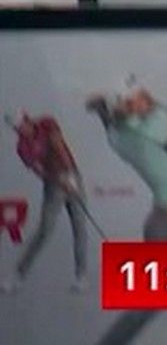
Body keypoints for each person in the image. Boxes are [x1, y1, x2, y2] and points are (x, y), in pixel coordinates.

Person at [87, 86, 167, 345]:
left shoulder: (123, 139)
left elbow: (121, 127)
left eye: (142, 99)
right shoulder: (151, 127)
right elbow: (157, 114)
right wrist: (114, 112)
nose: (144, 103)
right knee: (158, 298)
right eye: (136, 101)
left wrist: (109, 113)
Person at [3, 112, 90, 294]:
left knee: (79, 227)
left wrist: (69, 176)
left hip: (73, 177)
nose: (20, 130)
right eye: (16, 128)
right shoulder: (22, 147)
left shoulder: (47, 123)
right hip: (53, 187)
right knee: (44, 231)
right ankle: (18, 275)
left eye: (21, 125)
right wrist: (59, 180)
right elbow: (39, 170)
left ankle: (81, 276)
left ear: (27, 119)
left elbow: (59, 147)